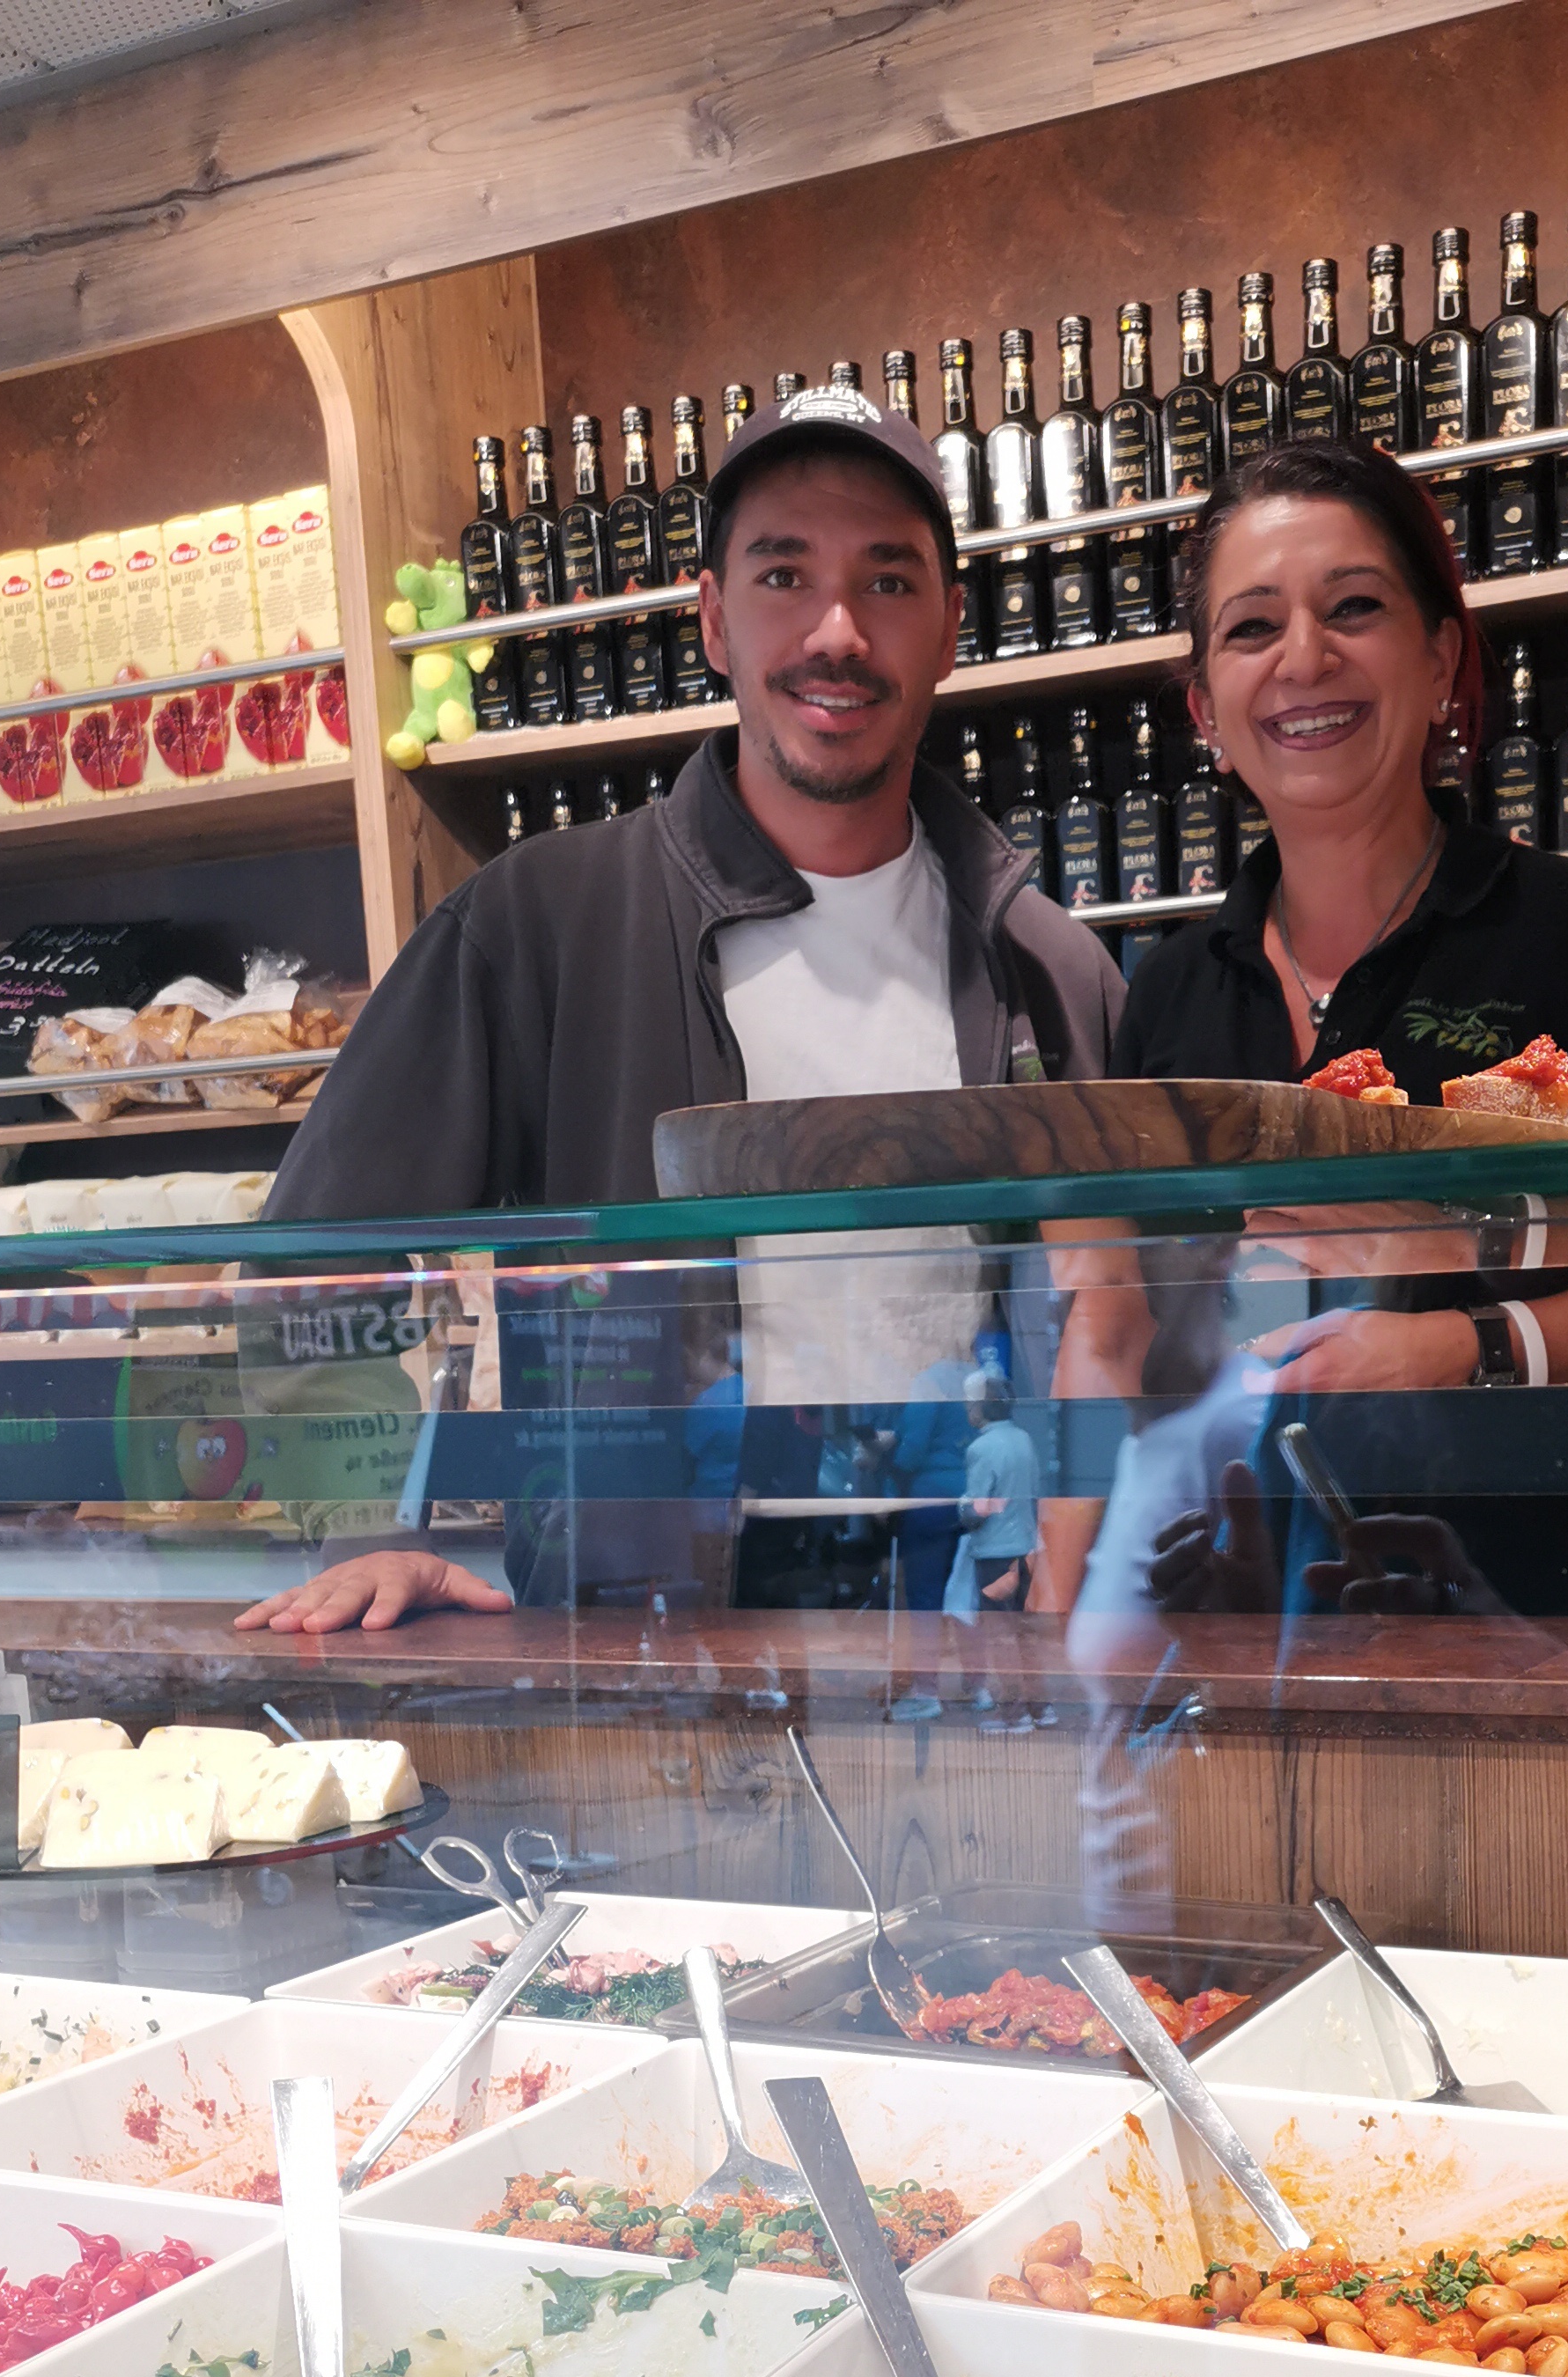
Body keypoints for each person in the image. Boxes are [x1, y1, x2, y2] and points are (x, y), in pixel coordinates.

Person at [237, 383, 1120, 1637]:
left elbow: (1138, 1319)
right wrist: (369, 1525)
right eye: (782, 576)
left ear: (948, 629)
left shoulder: (1048, 966)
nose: (836, 631)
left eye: (888, 580)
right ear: (711, 618)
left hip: (972, 1620)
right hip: (646, 1637)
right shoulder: (539, 923)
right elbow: (311, 1261)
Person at [1056, 432, 1568, 1621]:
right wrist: (1059, 1605)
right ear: (1206, 710)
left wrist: (1459, 1347)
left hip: (1551, 1622)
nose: (1305, 658)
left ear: (1440, 657)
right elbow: (1114, 1329)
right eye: (1252, 626)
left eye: (1354, 607)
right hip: (1244, 1629)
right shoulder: (1168, 992)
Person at [955, 1371, 1042, 1610]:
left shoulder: (980, 1448)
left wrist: (961, 1507)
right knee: (1018, 1618)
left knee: (994, 1621)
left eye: (970, 1404)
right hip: (1026, 1548)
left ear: (980, 1408)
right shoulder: (1025, 1440)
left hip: (993, 1553)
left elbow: (977, 1511)